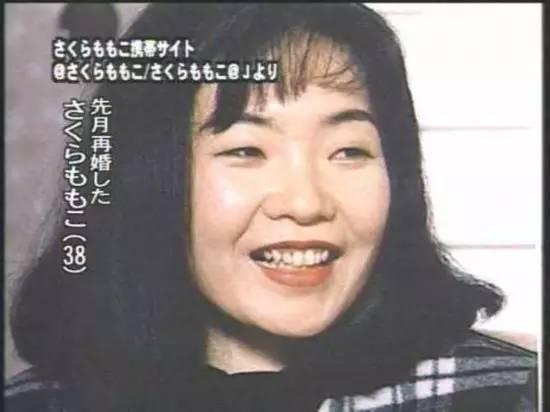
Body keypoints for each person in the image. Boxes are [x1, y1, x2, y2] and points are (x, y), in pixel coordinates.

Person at [5, 4, 537, 412]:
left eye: (348, 151)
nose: (306, 203)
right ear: (144, 177)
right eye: (246, 150)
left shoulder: (510, 394)